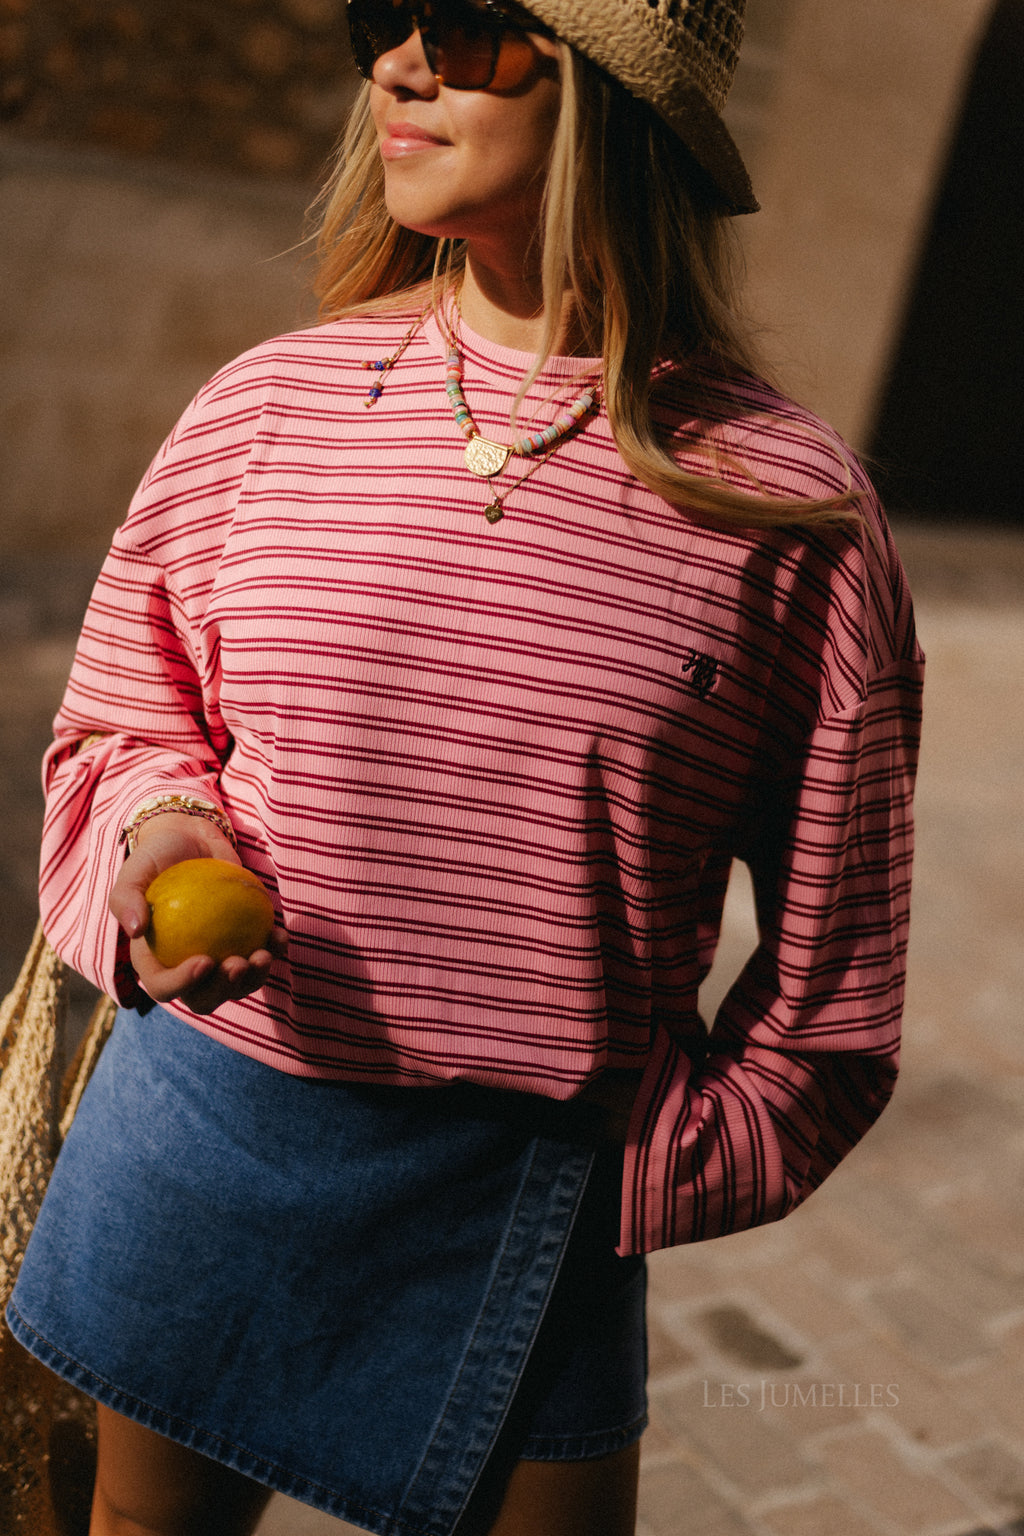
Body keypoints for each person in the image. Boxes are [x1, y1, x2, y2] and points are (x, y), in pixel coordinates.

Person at [5, 2, 925, 1534]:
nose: (400, 64)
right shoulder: (265, 408)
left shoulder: (791, 515)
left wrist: (627, 1183)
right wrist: (164, 831)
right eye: (388, 18)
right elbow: (117, 725)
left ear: (623, 103)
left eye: (478, 30)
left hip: (534, 1204)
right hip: (207, 1139)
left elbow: (838, 992)